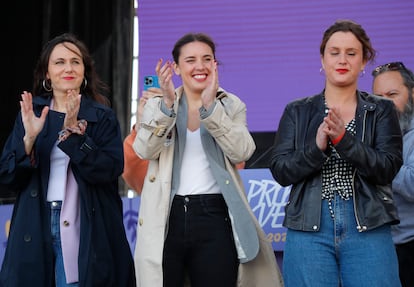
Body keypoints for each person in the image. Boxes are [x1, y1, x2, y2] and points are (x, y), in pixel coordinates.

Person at [131, 32, 283, 287]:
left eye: (206, 59)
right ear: (176, 68)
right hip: (167, 216)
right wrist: (167, 105)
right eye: (190, 60)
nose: (199, 66)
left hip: (214, 215)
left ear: (215, 64)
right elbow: (144, 150)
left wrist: (211, 107)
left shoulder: (232, 105)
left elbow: (242, 152)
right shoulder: (158, 105)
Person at [270, 20, 403, 286]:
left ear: (364, 61)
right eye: (334, 52)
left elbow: (387, 168)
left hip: (368, 224)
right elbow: (281, 170)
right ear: (322, 59)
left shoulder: (381, 110)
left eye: (351, 53)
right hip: (309, 225)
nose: (342, 59)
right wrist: (316, 148)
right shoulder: (297, 110)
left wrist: (345, 141)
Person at [0, 33, 136, 286]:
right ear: (47, 74)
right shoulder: (32, 114)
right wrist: (28, 139)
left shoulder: (101, 116)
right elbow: (8, 176)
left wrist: (73, 136)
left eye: (75, 61)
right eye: (59, 62)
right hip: (37, 222)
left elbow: (109, 169)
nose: (68, 68)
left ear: (85, 71)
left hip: (85, 223)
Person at [122, 89, 245, 194]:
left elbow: (237, 163)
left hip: (216, 212)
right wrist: (143, 126)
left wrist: (215, 117)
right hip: (170, 215)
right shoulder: (167, 127)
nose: (199, 67)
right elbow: (135, 177)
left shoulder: (227, 110)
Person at [372, 61, 414, 287]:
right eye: (379, 97)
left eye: (392, 94)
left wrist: (377, 159)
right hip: (377, 247)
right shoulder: (370, 135)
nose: (384, 103)